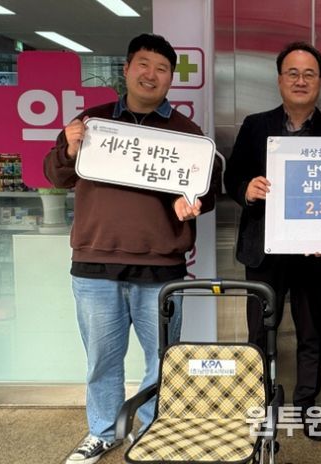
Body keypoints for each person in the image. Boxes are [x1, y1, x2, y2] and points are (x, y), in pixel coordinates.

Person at [44, 33, 222, 464]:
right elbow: (56, 175)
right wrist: (69, 147)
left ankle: (152, 429)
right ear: (125, 70)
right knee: (102, 360)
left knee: (162, 360)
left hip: (161, 268)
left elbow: (208, 191)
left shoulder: (186, 133)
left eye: (162, 69)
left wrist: (193, 202)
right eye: (143, 64)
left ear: (171, 79)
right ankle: (103, 432)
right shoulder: (92, 123)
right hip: (95, 264)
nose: (151, 75)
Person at [223, 41, 321, 440]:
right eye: (292, 73)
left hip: (314, 253)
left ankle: (307, 408)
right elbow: (232, 177)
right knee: (259, 333)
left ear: (320, 81)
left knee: (311, 335)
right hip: (264, 251)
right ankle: (259, 405)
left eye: (309, 74)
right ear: (279, 80)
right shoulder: (255, 126)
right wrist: (247, 189)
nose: (300, 80)